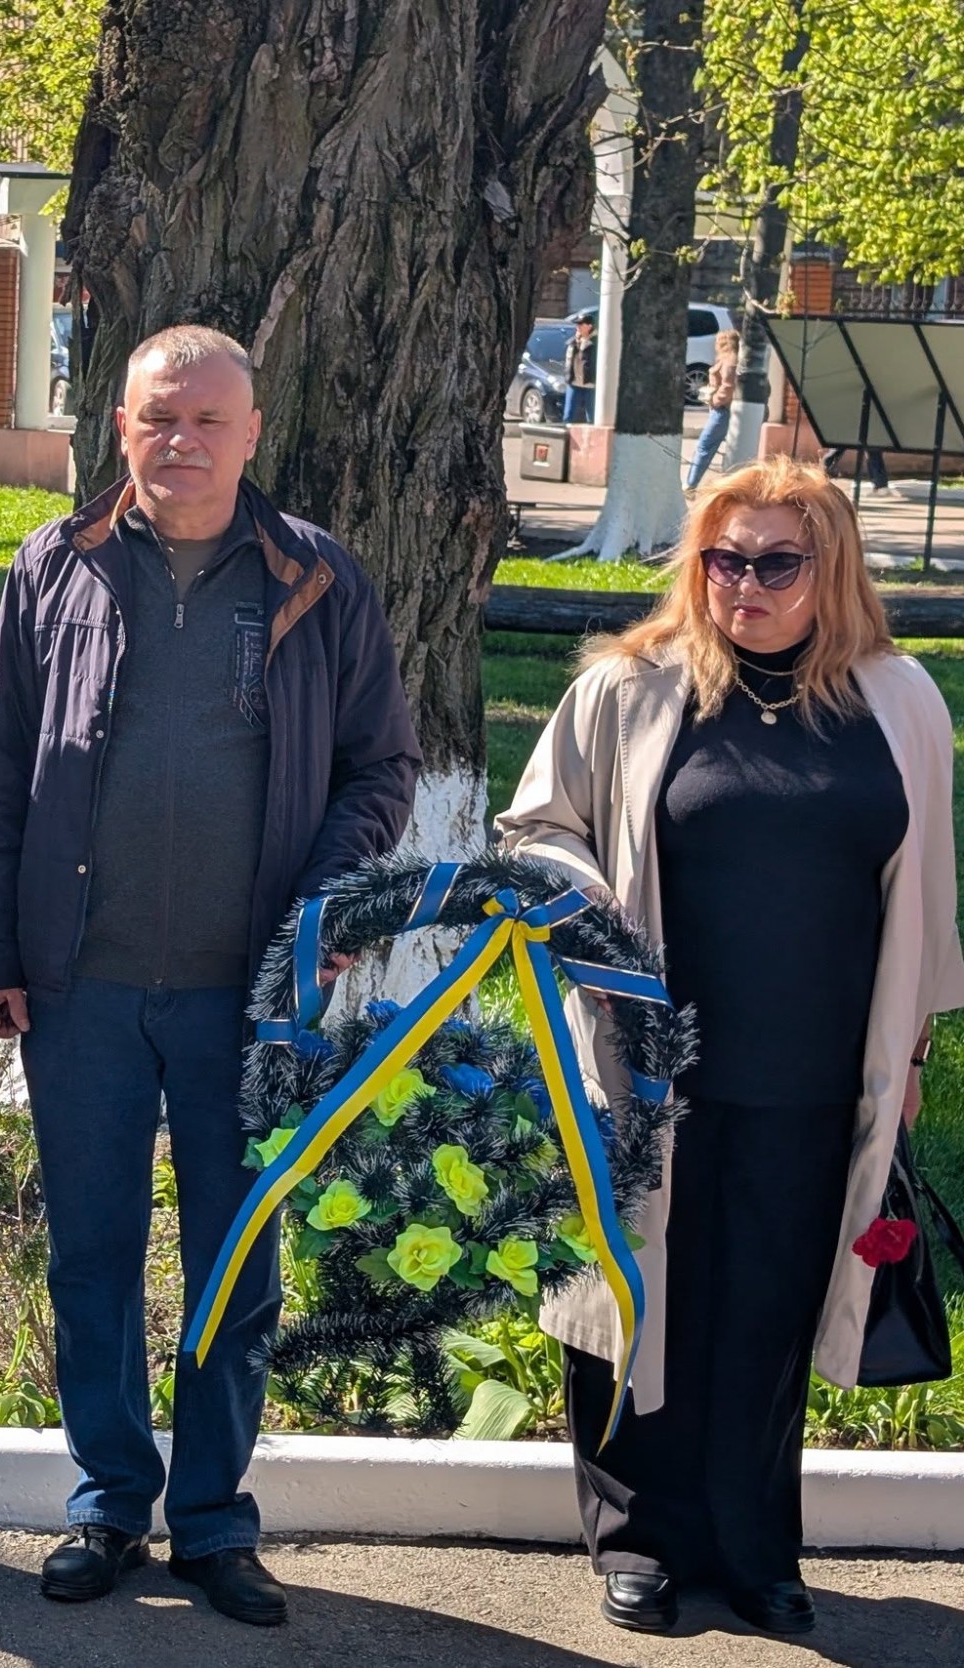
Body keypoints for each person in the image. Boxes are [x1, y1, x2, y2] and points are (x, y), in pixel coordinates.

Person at [0, 325, 420, 1626]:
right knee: (93, 1254)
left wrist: (324, 907)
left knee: (236, 1260)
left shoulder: (318, 578)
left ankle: (213, 1520)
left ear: (254, 432)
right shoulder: (54, 567)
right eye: (161, 418)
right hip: (83, 988)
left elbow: (382, 768)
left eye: (210, 420)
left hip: (248, 995)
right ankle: (109, 1504)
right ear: (121, 427)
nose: (183, 442)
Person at [497, 454, 964, 1637]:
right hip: (644, 1062)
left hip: (817, 1071)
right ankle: (638, 1541)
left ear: (831, 571)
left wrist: (907, 1054)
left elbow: (925, 895)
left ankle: (756, 1549)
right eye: (719, 558)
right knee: (637, 1293)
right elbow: (535, 829)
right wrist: (583, 916)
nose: (740, 583)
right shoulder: (629, 688)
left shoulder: (899, 700)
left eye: (772, 562)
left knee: (769, 1303)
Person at [684, 329, 741, 489]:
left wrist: (715, 400)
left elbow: (728, 388)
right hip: (724, 410)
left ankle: (691, 484)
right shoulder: (730, 359)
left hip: (723, 410)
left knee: (705, 445)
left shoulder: (730, 360)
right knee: (725, 447)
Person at [563, 317, 597, 425]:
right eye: (577, 325)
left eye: (581, 324)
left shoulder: (595, 343)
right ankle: (567, 439)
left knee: (592, 416)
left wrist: (583, 342)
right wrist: (577, 342)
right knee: (568, 415)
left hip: (590, 385)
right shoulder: (573, 342)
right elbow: (569, 361)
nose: (577, 327)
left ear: (589, 326)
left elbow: (588, 360)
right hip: (574, 384)